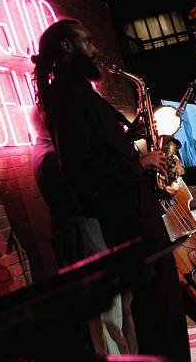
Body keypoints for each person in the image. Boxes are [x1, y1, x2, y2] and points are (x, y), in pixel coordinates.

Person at [31, 19, 190, 361]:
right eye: (87, 41)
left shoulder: (79, 92)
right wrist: (140, 164)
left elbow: (101, 150)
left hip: (135, 209)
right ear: (67, 47)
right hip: (126, 218)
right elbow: (80, 169)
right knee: (158, 312)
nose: (95, 48)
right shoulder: (65, 95)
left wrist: (137, 141)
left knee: (162, 308)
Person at [30, 108, 137, 356]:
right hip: (84, 238)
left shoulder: (49, 153)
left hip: (87, 236)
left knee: (114, 313)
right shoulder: (51, 157)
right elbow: (83, 198)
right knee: (106, 317)